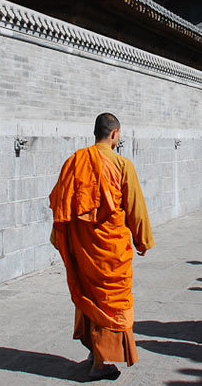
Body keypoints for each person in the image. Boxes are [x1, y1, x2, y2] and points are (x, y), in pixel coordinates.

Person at [49, 113, 154, 380]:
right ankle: (98, 363)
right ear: (115, 134)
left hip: (84, 249)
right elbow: (136, 209)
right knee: (110, 302)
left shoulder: (75, 161)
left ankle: (94, 353)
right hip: (111, 251)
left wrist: (61, 239)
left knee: (90, 297)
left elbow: (62, 205)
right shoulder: (122, 165)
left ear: (96, 133)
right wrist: (142, 240)